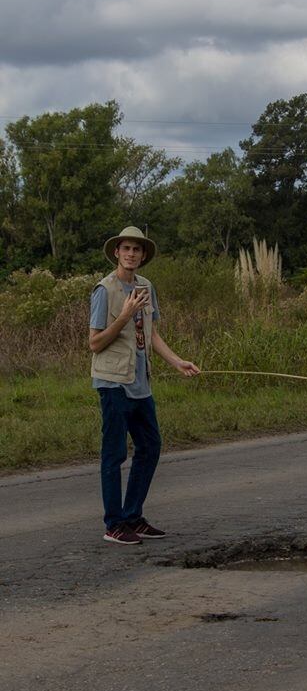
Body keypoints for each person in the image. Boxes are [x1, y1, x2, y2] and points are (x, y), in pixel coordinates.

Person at [89, 226, 200, 545]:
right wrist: (123, 316)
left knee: (150, 446)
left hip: (141, 381)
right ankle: (114, 524)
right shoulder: (104, 290)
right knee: (113, 453)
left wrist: (177, 361)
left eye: (137, 250)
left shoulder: (146, 287)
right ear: (116, 253)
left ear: (143, 255)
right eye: (126, 249)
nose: (131, 254)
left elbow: (150, 333)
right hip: (113, 382)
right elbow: (95, 343)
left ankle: (133, 516)